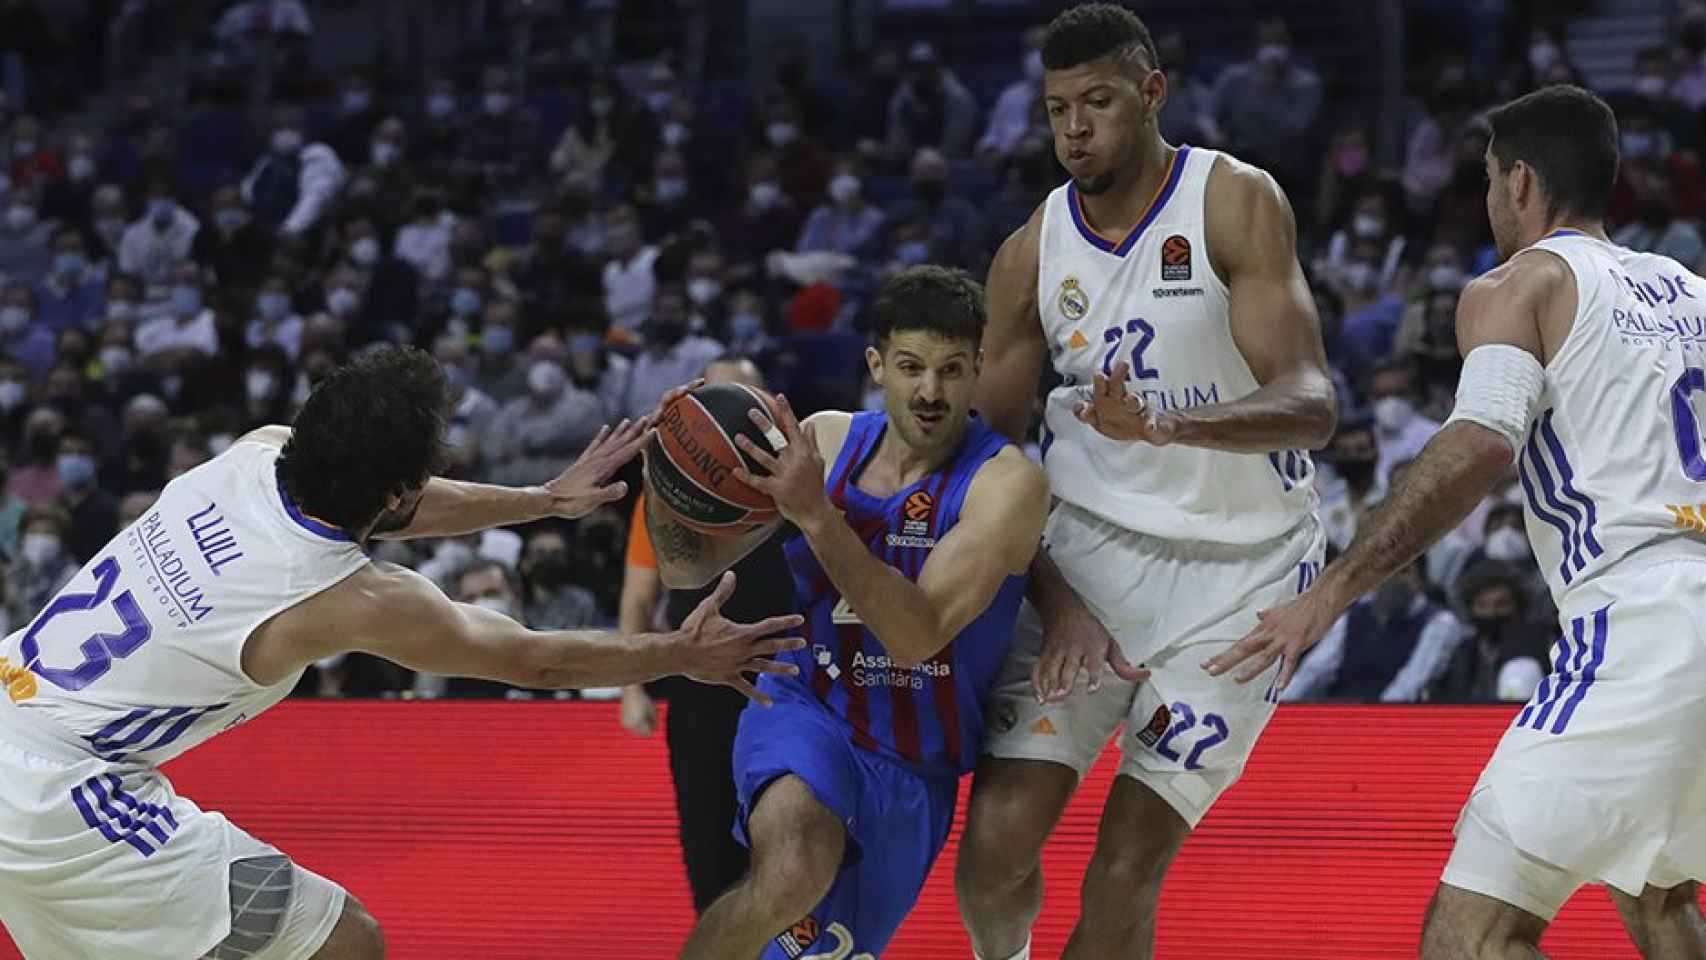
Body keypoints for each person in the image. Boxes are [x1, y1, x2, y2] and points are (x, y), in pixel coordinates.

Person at [0, 346, 803, 960]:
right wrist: (679, 652)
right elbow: (534, 662)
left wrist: (543, 501)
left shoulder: (256, 450)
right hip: (60, 797)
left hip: (16, 711)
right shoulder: (347, 597)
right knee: (346, 941)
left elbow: (396, 509)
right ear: (394, 489)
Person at [1206, 84, 1706, 958]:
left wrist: (1330, 594)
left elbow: (1479, 446)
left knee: (1470, 939)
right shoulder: (1691, 292)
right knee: (1659, 896)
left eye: (1484, 181)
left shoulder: (1522, 282)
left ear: (1518, 182)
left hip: (1642, 621)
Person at [957, 7, 1337, 959]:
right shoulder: (1028, 253)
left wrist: (1172, 423)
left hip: (1242, 579)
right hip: (1088, 563)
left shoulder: (1232, 200)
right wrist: (1055, 596)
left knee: (1122, 873)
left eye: (1098, 102)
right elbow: (983, 462)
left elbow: (1312, 403)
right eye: (1056, 110)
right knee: (992, 851)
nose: (1075, 129)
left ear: (1152, 94)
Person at [656, 267, 1049, 959]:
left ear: (978, 369)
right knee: (794, 861)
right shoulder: (826, 440)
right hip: (805, 707)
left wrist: (817, 516)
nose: (930, 391)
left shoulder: (1007, 485)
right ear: (876, 366)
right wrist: (672, 473)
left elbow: (916, 636)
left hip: (912, 758)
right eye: (911, 367)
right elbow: (686, 564)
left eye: (952, 370)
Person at [618, 354, 793, 914]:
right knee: (709, 847)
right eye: (717, 397)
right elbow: (642, 595)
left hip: (793, 685)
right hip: (700, 686)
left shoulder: (812, 484)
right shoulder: (669, 494)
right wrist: (630, 686)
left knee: (795, 849)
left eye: (745, 395)